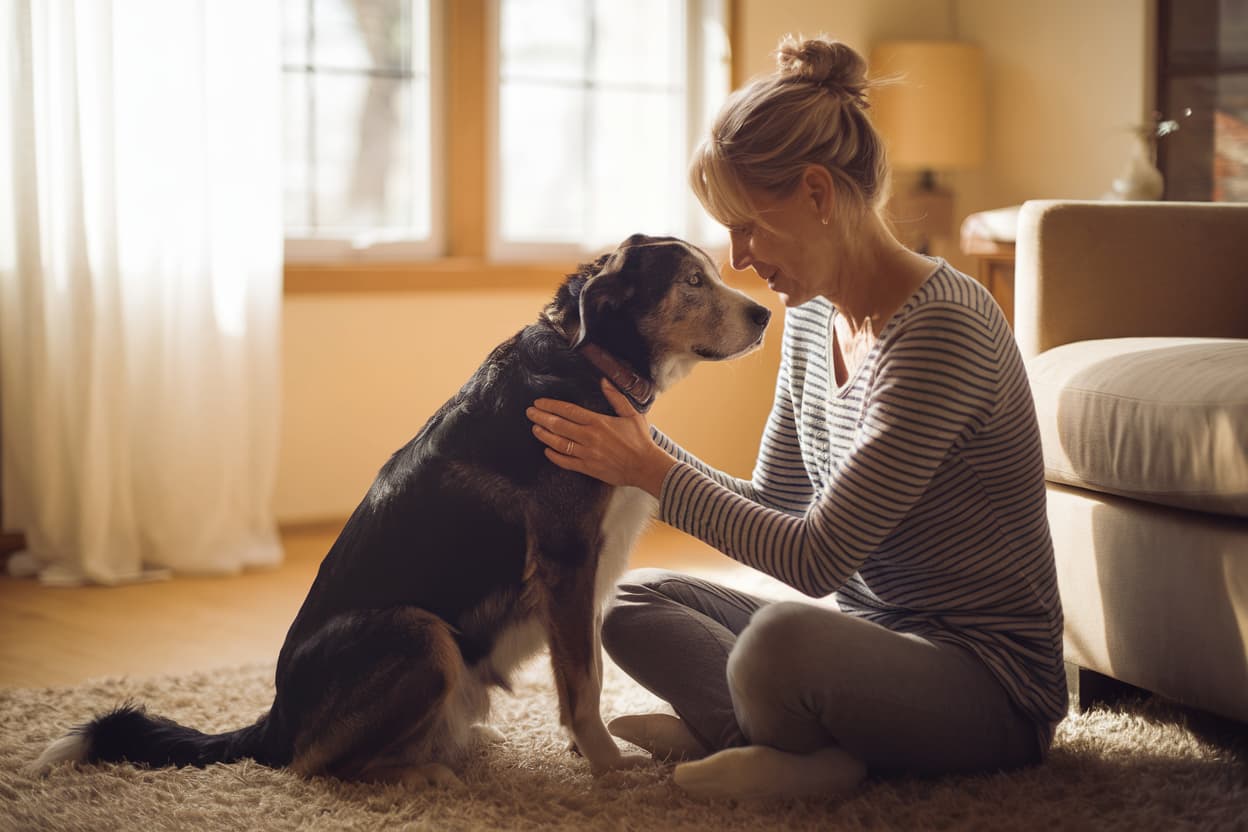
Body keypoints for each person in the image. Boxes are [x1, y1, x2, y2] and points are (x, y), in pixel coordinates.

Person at [525, 34, 1065, 801]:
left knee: (779, 643)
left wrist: (649, 468)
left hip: (990, 686)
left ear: (817, 194)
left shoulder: (941, 328)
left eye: (747, 226)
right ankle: (786, 744)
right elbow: (776, 500)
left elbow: (816, 561)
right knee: (635, 601)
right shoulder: (813, 318)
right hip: (870, 641)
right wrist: (635, 449)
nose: (739, 258)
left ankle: (764, 736)